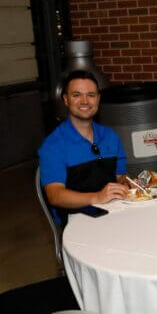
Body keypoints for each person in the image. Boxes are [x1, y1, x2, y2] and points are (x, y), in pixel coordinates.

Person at [38, 71, 129, 227]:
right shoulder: (53, 145)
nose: (85, 101)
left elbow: (121, 176)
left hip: (114, 213)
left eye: (91, 95)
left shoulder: (110, 136)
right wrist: (97, 197)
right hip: (76, 223)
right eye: (77, 95)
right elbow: (55, 195)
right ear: (66, 100)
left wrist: (126, 184)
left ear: (98, 99)